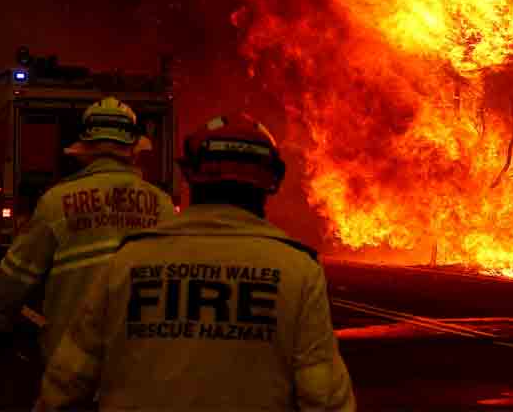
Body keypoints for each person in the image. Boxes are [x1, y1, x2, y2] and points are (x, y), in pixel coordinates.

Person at [36, 115, 356, 411]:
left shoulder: (128, 262)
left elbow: (66, 382)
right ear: (272, 179)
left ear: (189, 174)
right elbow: (324, 398)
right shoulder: (298, 271)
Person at [0, 96, 177, 361]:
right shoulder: (163, 206)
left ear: (83, 149)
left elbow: (14, 276)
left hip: (70, 358)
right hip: (139, 360)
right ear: (134, 149)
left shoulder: (55, 202)